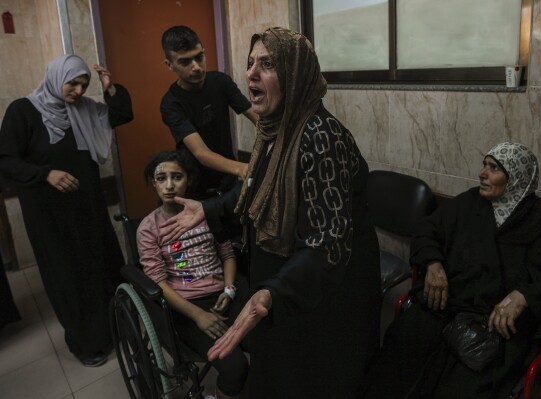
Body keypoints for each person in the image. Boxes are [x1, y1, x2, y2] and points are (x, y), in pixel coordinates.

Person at [160, 27, 381, 398]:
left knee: (318, 376)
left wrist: (271, 293)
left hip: (327, 287)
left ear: (295, 74)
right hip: (288, 281)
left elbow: (327, 245)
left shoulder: (321, 136)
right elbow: (257, 192)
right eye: (250, 64)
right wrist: (209, 208)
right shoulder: (274, 129)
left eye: (267, 64)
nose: (250, 73)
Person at [366, 142, 541, 398]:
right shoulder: (470, 203)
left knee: (462, 386)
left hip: (493, 328)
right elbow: (427, 229)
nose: (482, 173)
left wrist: (524, 295)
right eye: (484, 165)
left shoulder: (540, 223)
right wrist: (433, 263)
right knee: (399, 354)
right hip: (445, 306)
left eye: (493, 168)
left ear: (516, 177)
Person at [0, 54, 133, 366]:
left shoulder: (83, 110)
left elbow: (122, 115)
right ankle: (88, 343)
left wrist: (109, 87)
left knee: (100, 265)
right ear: (56, 77)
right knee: (68, 276)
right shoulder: (23, 111)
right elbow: (5, 159)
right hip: (50, 217)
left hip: (87, 208)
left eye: (83, 85)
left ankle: (116, 329)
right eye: (72, 82)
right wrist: (46, 173)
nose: (77, 90)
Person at [136, 151, 249, 399]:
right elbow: (158, 281)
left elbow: (228, 255)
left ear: (188, 180)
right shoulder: (149, 228)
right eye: (161, 178)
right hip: (187, 307)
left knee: (271, 345)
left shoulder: (204, 212)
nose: (168, 185)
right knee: (236, 368)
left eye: (176, 177)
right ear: (153, 182)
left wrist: (229, 290)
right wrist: (198, 315)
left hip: (224, 295)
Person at [160, 25, 258, 199]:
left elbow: (257, 118)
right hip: (196, 186)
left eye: (199, 57)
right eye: (185, 62)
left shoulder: (221, 82)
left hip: (229, 180)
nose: (196, 67)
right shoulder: (171, 103)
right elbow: (202, 154)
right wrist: (242, 168)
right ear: (170, 65)